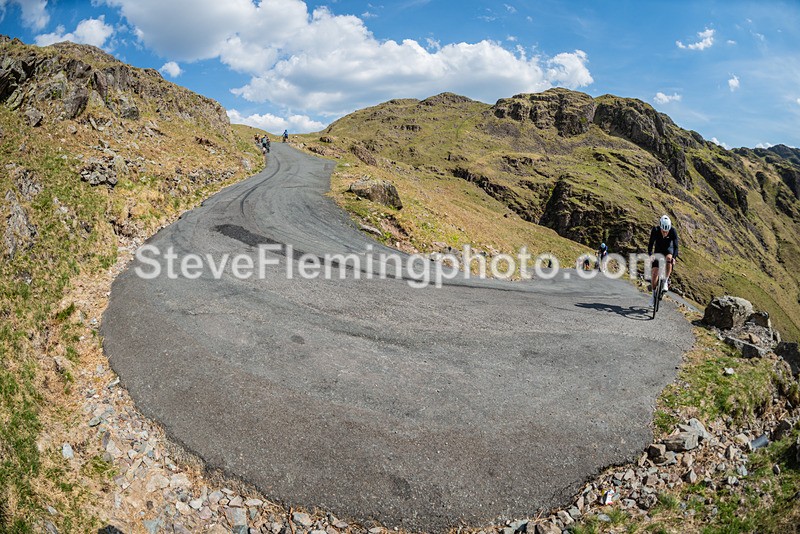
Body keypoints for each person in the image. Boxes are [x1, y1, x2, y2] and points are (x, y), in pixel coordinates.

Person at [648, 215, 678, 304]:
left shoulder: (673, 231)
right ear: (660, 227)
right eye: (663, 231)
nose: (665, 233)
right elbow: (650, 244)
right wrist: (650, 255)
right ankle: (653, 295)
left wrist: (674, 258)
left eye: (666, 231)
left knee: (669, 258)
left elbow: (676, 247)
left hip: (668, 250)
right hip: (658, 251)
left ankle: (665, 281)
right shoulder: (655, 230)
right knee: (654, 274)